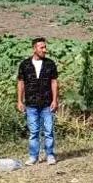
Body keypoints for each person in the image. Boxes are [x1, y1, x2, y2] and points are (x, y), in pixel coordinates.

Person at [16, 37, 59, 165]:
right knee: (33, 132)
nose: (45, 50)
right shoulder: (25, 64)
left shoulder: (50, 64)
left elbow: (54, 82)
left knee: (49, 130)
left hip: (47, 102)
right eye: (42, 47)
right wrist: (19, 101)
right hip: (31, 103)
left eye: (45, 47)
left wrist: (55, 100)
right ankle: (33, 156)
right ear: (34, 48)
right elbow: (20, 83)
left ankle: (50, 155)